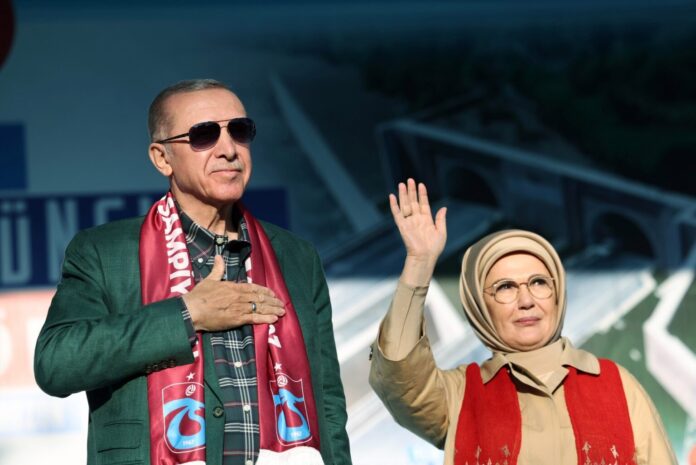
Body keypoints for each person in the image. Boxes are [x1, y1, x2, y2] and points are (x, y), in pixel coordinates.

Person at [34, 79, 351, 465]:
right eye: (204, 135)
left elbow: (327, 403)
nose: (229, 149)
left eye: (240, 131)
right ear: (162, 158)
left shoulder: (296, 256)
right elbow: (56, 364)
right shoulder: (104, 252)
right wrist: (186, 315)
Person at [369, 178, 677, 465]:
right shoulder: (460, 396)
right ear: (479, 306)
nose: (526, 300)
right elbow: (399, 379)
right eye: (505, 287)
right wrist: (420, 264)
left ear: (557, 293)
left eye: (539, 282)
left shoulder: (617, 384)